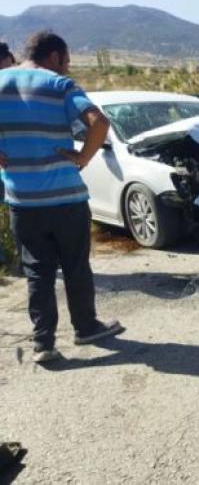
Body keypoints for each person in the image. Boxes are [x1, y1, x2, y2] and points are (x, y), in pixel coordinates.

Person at [0, 31, 123, 363]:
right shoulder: (58, 85)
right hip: (66, 198)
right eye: (66, 62)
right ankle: (86, 327)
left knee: (37, 271)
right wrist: (83, 157)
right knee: (75, 266)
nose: (67, 68)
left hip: (23, 200)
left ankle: (44, 344)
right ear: (54, 56)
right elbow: (99, 122)